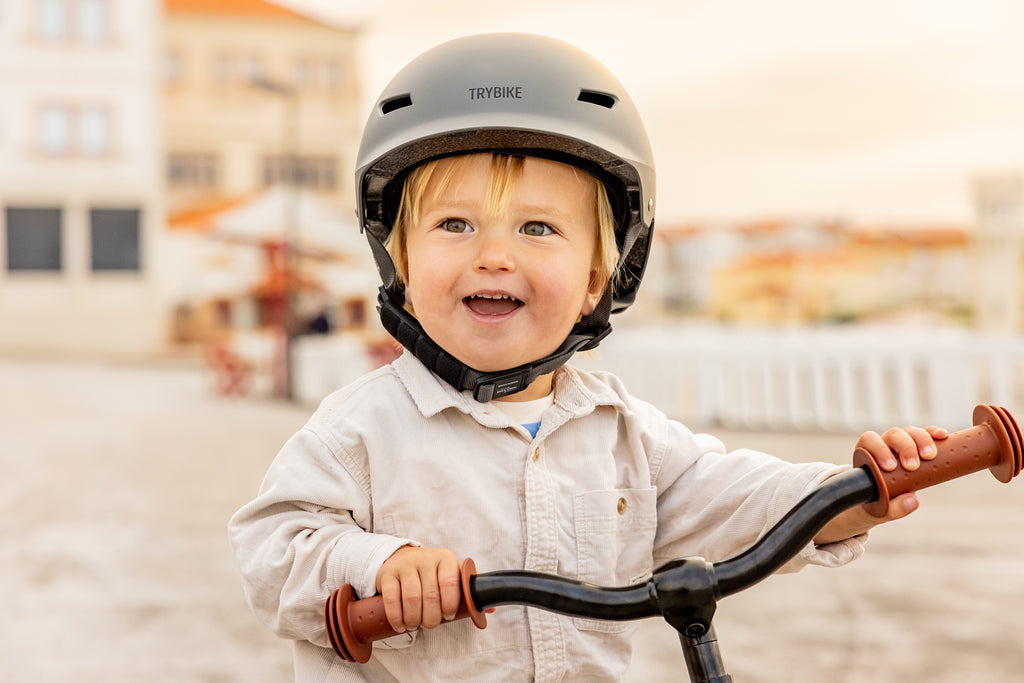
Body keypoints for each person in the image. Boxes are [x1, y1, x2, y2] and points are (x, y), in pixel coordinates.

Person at [229, 33, 947, 682]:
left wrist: (852, 494)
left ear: (599, 282)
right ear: (402, 262)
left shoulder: (625, 435)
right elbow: (272, 549)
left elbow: (739, 498)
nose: (495, 254)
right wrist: (378, 563)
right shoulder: (358, 432)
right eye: (455, 223)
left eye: (537, 227)